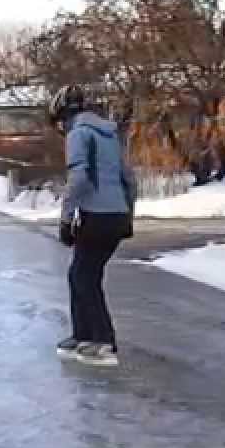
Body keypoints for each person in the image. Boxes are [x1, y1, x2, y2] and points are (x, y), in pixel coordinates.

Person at [48, 85, 137, 367]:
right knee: (83, 274)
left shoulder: (79, 134)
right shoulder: (110, 135)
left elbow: (80, 179)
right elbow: (129, 179)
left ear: (64, 116)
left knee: (83, 277)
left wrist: (66, 218)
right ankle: (83, 334)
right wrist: (127, 214)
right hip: (116, 214)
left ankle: (102, 340)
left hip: (97, 215)